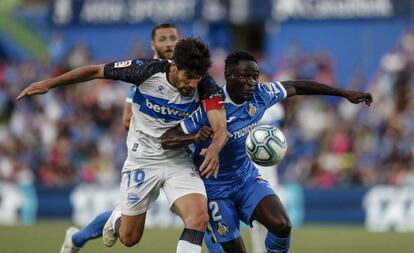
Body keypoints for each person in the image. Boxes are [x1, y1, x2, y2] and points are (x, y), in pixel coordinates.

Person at [17, 37, 228, 253]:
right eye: (188, 77)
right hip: (142, 161)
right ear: (174, 65)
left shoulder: (206, 86)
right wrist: (48, 84)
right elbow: (96, 71)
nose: (192, 83)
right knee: (129, 237)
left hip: (178, 161)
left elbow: (220, 127)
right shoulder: (145, 71)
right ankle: (117, 216)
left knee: (198, 217)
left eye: (197, 78)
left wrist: (214, 148)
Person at [160, 51, 373, 253]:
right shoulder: (211, 107)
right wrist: (195, 137)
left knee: (282, 226)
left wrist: (344, 93)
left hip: (246, 179)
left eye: (254, 76)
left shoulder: (261, 94)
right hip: (214, 190)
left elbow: (297, 86)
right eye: (245, 76)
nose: (251, 82)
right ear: (228, 76)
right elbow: (167, 139)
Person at [57, 23, 182, 253]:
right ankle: (78, 238)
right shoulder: (145, 74)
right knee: (129, 220)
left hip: (181, 155)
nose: (169, 43)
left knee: (200, 213)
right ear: (153, 45)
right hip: (150, 154)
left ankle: (76, 239)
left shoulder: (186, 72)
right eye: (163, 39)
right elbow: (126, 120)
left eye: (173, 37)